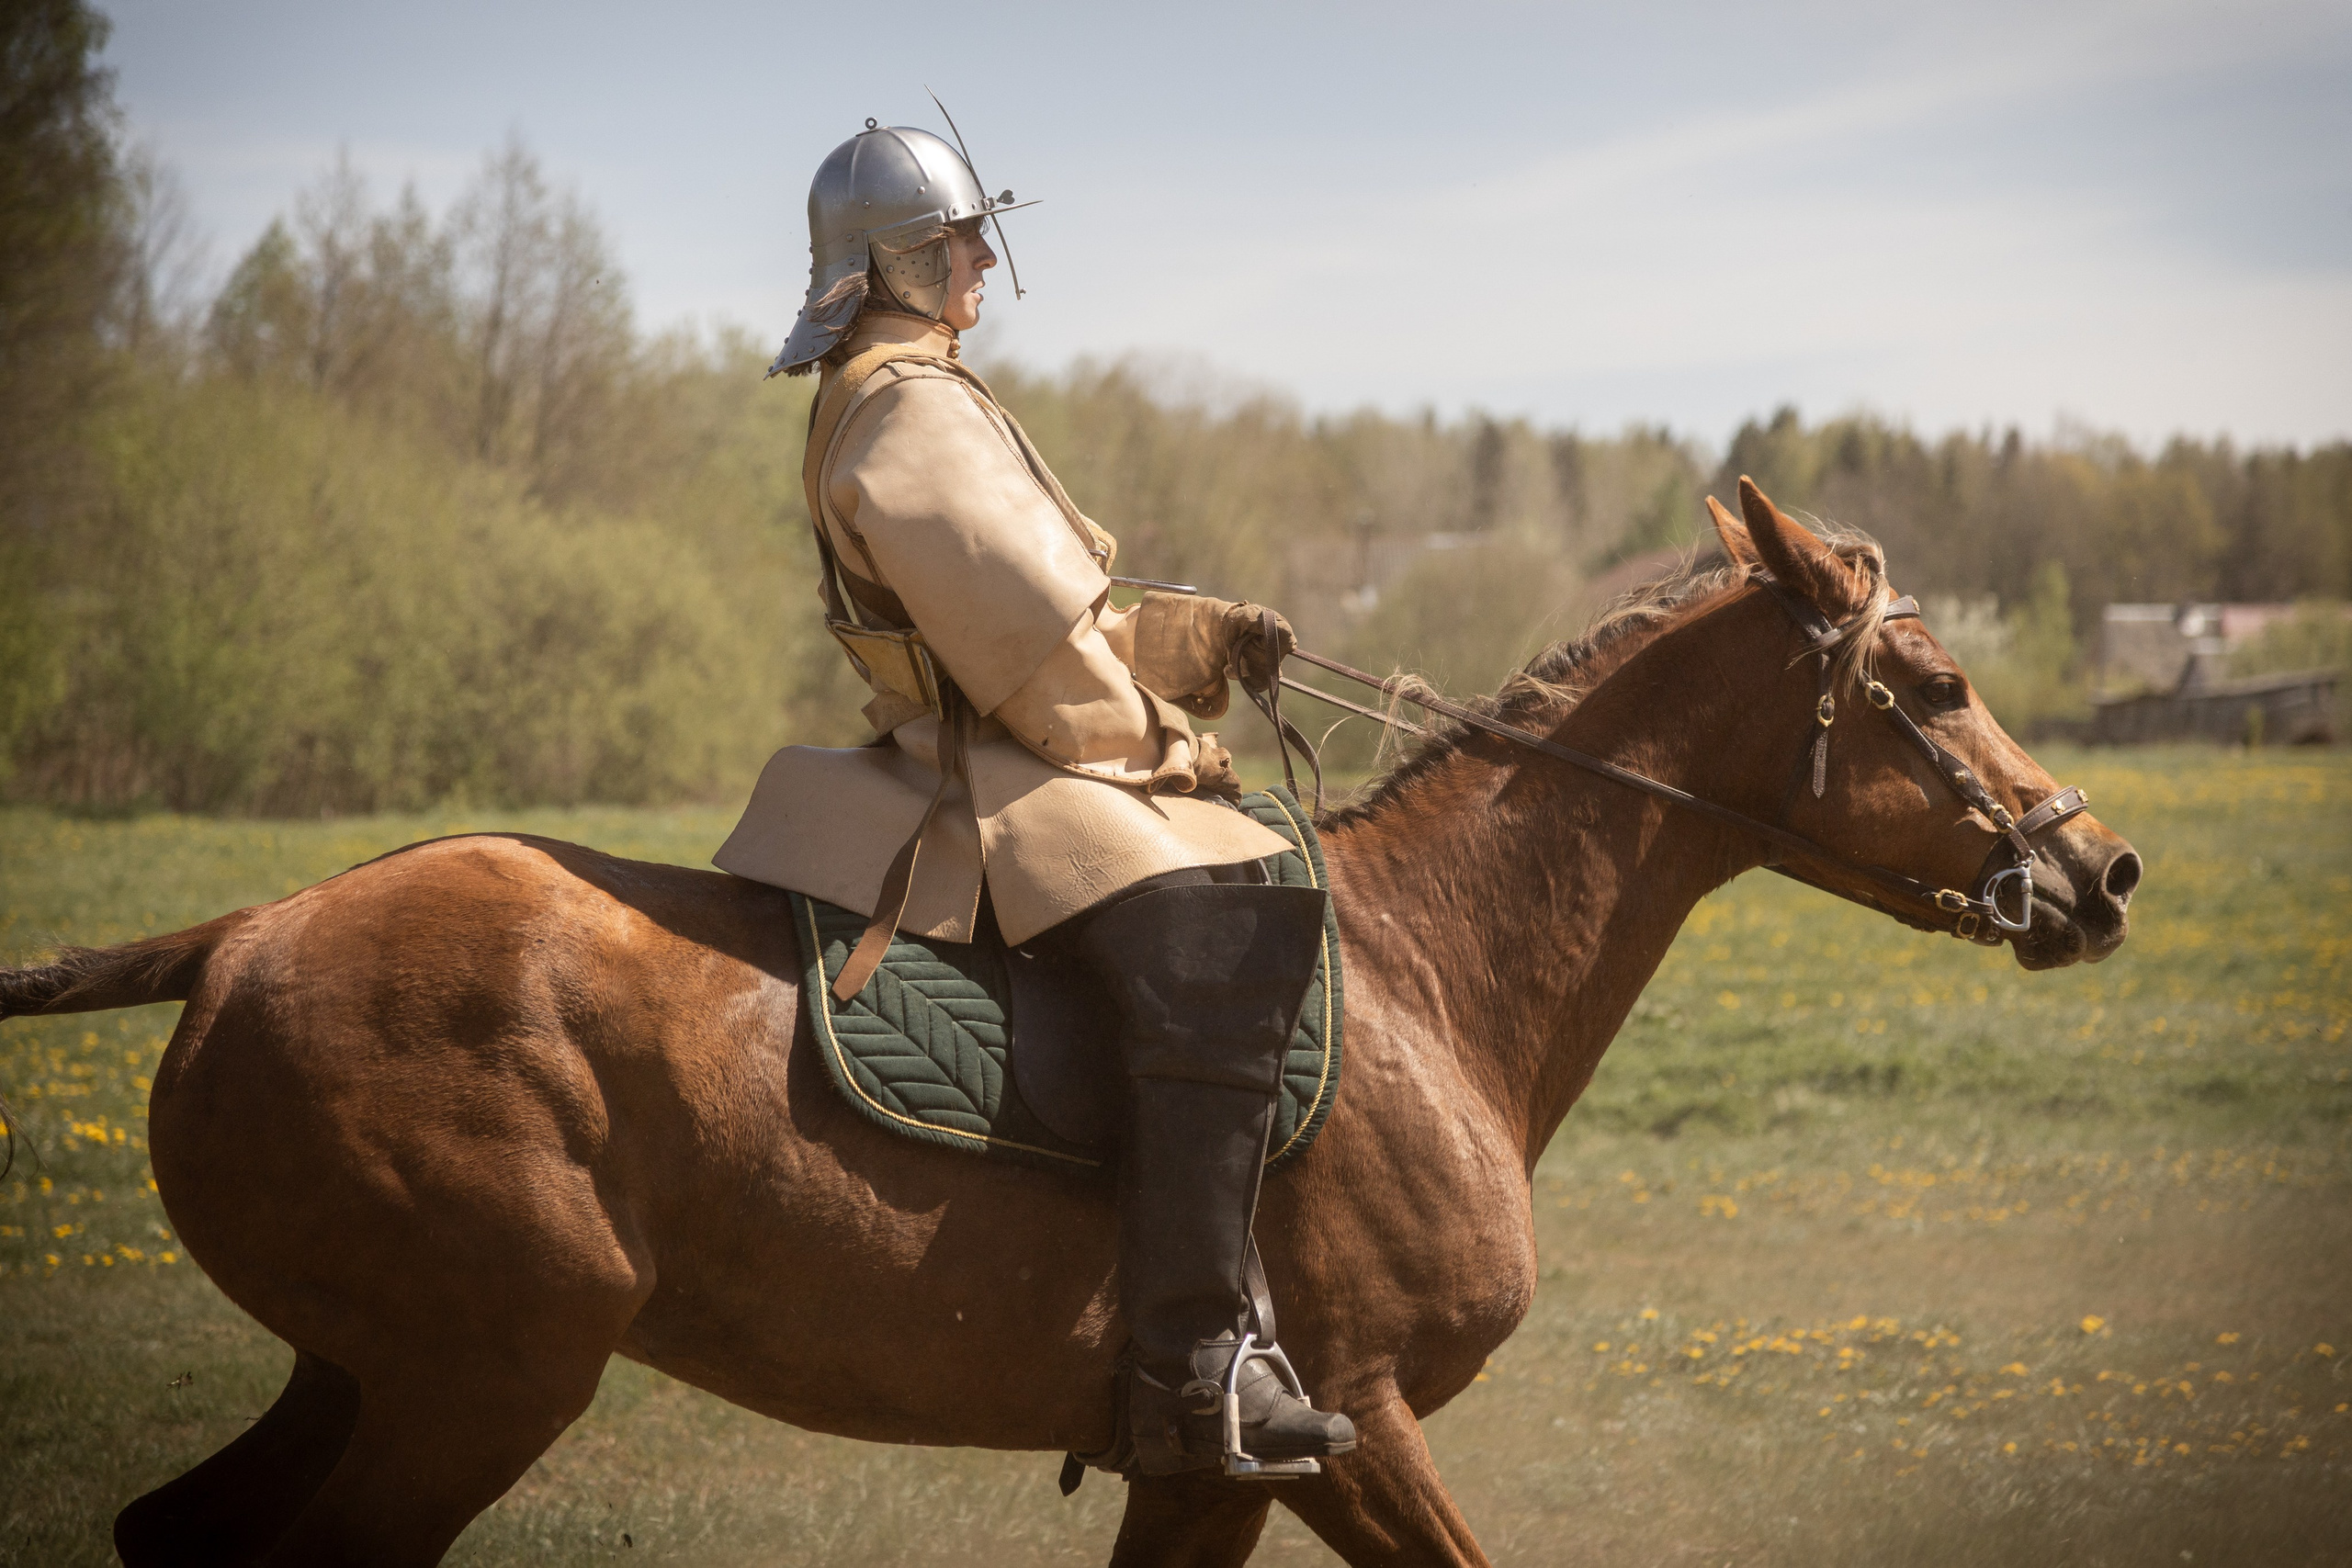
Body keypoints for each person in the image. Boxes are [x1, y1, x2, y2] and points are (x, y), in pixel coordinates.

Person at [716, 121, 1357, 1476]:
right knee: (1215, 937)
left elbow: (1047, 616)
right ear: (898, 260)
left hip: (1013, 737)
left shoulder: (910, 387)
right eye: (963, 241)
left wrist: (1199, 644)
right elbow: (1027, 659)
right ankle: (1199, 1369)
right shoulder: (906, 405)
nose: (986, 261)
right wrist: (1170, 747)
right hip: (996, 774)